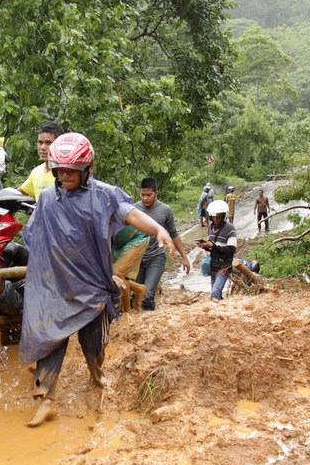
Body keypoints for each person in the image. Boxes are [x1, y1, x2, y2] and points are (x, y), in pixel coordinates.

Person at [20, 133, 173, 427]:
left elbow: (130, 215)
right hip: (56, 285)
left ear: (87, 169)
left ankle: (96, 376)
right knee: (51, 340)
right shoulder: (49, 199)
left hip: (91, 285)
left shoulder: (103, 194)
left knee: (92, 344)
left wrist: (158, 231)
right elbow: (35, 235)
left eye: (70, 171)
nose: (64, 176)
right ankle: (46, 400)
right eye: (60, 170)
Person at [134, 177, 191, 311]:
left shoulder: (165, 210)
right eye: (143, 195)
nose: (145, 198)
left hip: (156, 257)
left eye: (149, 195)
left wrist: (184, 257)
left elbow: (174, 234)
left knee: (147, 295)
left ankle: (150, 322)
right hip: (137, 258)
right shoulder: (134, 209)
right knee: (136, 295)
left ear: (156, 193)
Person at [196, 200, 237, 301]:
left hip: (224, 266)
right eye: (214, 217)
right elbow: (212, 247)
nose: (216, 219)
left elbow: (231, 250)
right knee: (214, 293)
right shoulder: (211, 228)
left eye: (218, 217)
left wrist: (213, 247)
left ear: (223, 216)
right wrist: (205, 245)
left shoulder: (230, 229)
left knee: (216, 291)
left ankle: (219, 312)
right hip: (214, 265)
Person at [17, 121, 64, 201]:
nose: (42, 147)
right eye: (40, 142)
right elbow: (18, 193)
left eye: (48, 143)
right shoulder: (36, 172)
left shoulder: (67, 172)